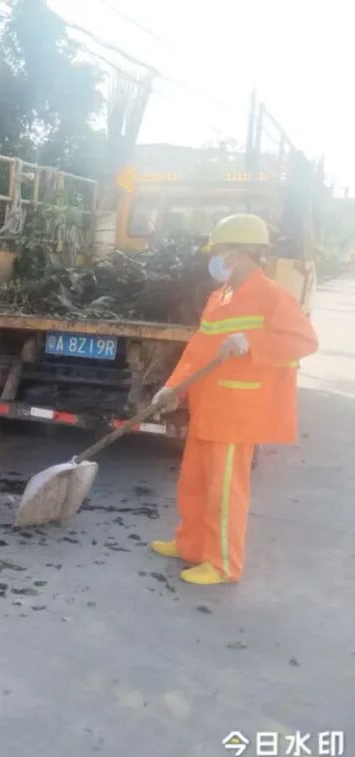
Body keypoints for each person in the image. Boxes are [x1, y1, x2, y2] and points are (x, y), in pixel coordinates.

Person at [149, 214, 317, 585]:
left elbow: (305, 341)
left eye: (220, 251)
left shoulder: (272, 295)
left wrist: (252, 342)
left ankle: (223, 564)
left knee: (224, 493)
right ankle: (191, 545)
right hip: (207, 409)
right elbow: (197, 352)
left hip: (237, 414)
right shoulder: (219, 297)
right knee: (194, 484)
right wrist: (172, 388)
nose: (215, 260)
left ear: (240, 253)